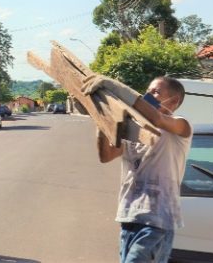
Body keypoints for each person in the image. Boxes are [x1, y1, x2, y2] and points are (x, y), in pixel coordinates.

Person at [82, 74, 192, 263]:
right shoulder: (135, 130)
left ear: (173, 101)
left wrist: (113, 85)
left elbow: (157, 119)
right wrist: (101, 118)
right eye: (147, 91)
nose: (148, 95)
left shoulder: (181, 126)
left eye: (155, 92)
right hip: (129, 218)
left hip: (157, 221)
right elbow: (106, 156)